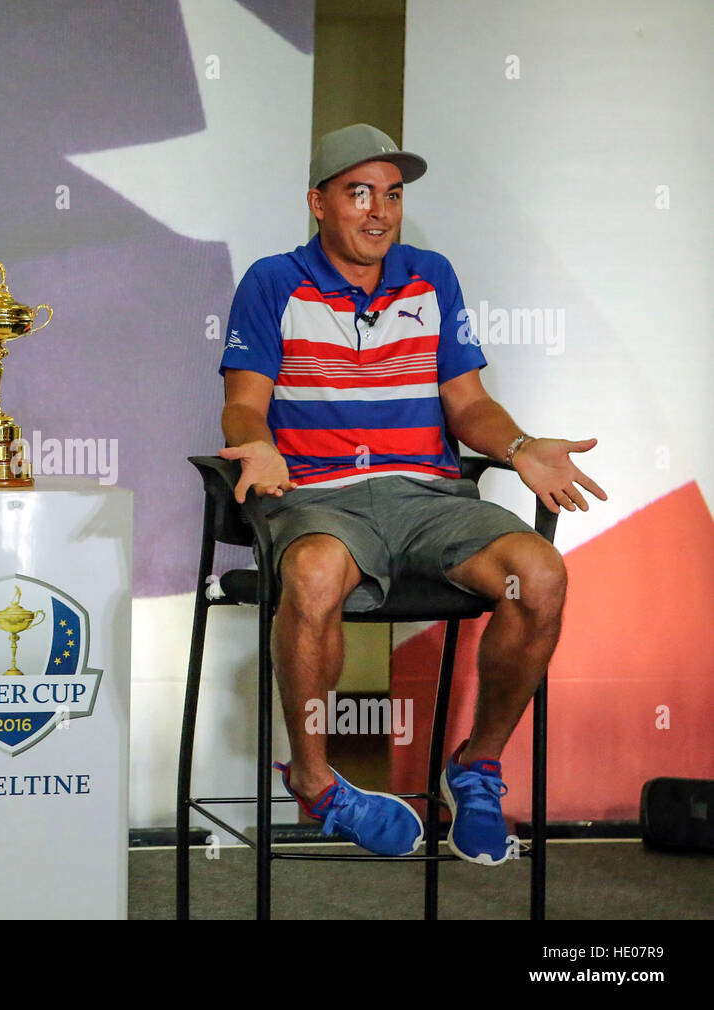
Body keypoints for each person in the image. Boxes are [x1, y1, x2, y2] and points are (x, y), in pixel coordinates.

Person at [219, 123, 605, 865]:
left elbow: (468, 405)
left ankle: (478, 764)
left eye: (392, 196)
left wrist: (519, 446)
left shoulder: (431, 276)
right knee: (313, 571)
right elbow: (243, 402)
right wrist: (258, 440)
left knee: (542, 574)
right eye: (358, 193)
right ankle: (315, 777)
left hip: (429, 499)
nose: (379, 212)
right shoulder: (273, 280)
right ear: (318, 204)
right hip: (319, 498)